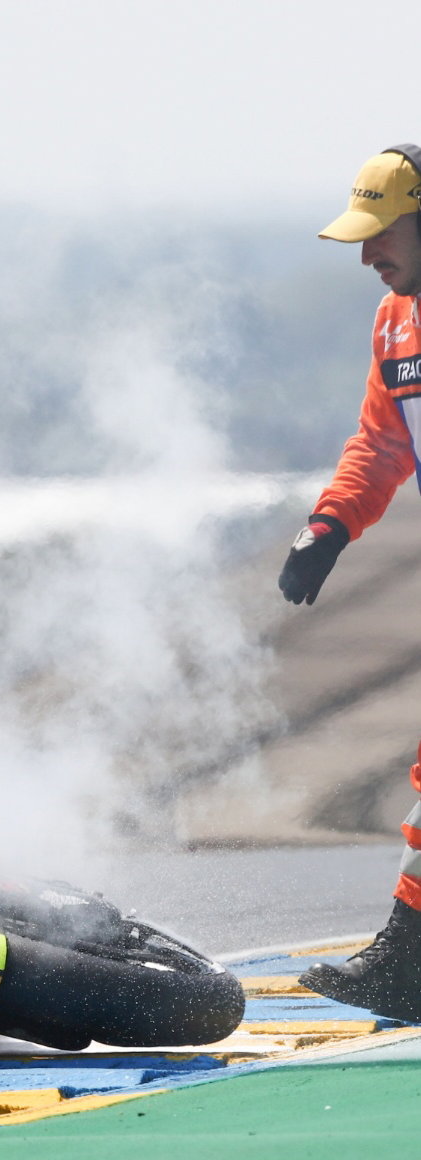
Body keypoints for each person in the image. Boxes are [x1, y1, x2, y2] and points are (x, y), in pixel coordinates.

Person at [279, 146, 421, 1018]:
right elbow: (380, 443)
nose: (368, 257)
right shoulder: (395, 326)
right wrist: (327, 526)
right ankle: (408, 959)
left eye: (382, 237)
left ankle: (408, 961)